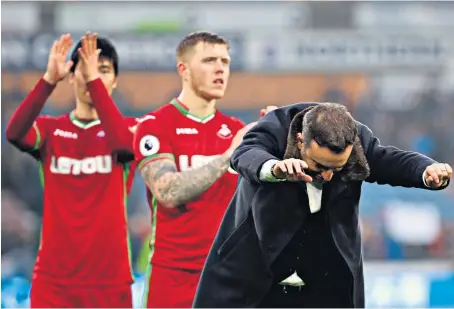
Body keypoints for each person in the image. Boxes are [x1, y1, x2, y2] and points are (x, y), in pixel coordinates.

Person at [193, 102, 452, 308]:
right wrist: (274, 168)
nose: (328, 176)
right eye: (320, 166)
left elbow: (389, 160)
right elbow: (245, 154)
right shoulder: (275, 127)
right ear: (299, 140)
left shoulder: (356, 140)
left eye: (336, 168)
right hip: (257, 267)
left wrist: (426, 170)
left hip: (326, 274)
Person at [6, 33, 137, 308]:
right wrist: (47, 81)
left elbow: (125, 148)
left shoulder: (130, 129)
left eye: (103, 70)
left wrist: (92, 81)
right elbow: (15, 133)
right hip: (54, 281)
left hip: (109, 281)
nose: (93, 76)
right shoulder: (50, 130)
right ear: (70, 75)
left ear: (114, 81)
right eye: (85, 68)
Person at [133, 31, 262, 308]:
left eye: (225, 62)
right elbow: (167, 189)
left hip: (226, 275)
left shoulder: (237, 131)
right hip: (172, 278)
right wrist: (228, 156)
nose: (220, 69)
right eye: (209, 60)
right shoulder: (154, 125)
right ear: (184, 70)